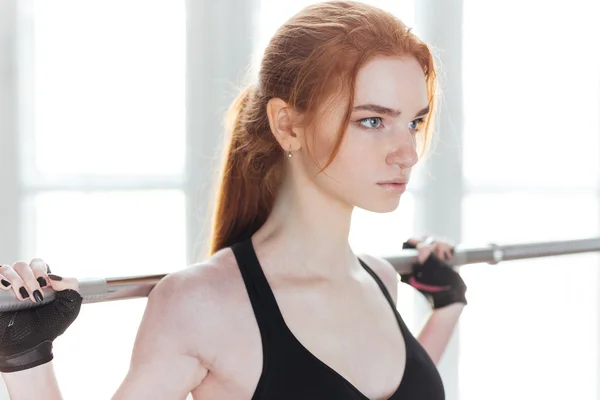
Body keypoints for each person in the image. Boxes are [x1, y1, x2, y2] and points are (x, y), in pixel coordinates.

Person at [0, 1, 468, 399]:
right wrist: (26, 354)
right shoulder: (201, 303)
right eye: (372, 120)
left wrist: (446, 309)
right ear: (287, 125)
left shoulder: (381, 279)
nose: (407, 153)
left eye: (413, 122)